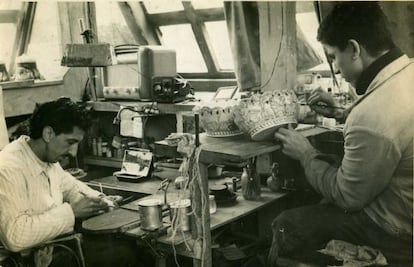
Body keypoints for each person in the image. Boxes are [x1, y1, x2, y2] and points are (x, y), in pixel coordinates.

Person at [269, 2, 413, 267]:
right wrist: (344, 113)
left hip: (398, 230)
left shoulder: (372, 115)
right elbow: (387, 124)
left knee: (286, 225)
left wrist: (306, 154)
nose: (335, 68)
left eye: (334, 57)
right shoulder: (408, 72)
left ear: (355, 49)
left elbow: (348, 196)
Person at [0, 97, 148, 267]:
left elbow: (72, 187)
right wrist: (71, 212)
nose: (73, 152)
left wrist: (100, 199)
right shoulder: (8, 168)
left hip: (51, 248)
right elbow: (15, 237)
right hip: (24, 261)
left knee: (133, 247)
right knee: (124, 254)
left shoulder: (47, 159)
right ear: (48, 134)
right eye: (70, 143)